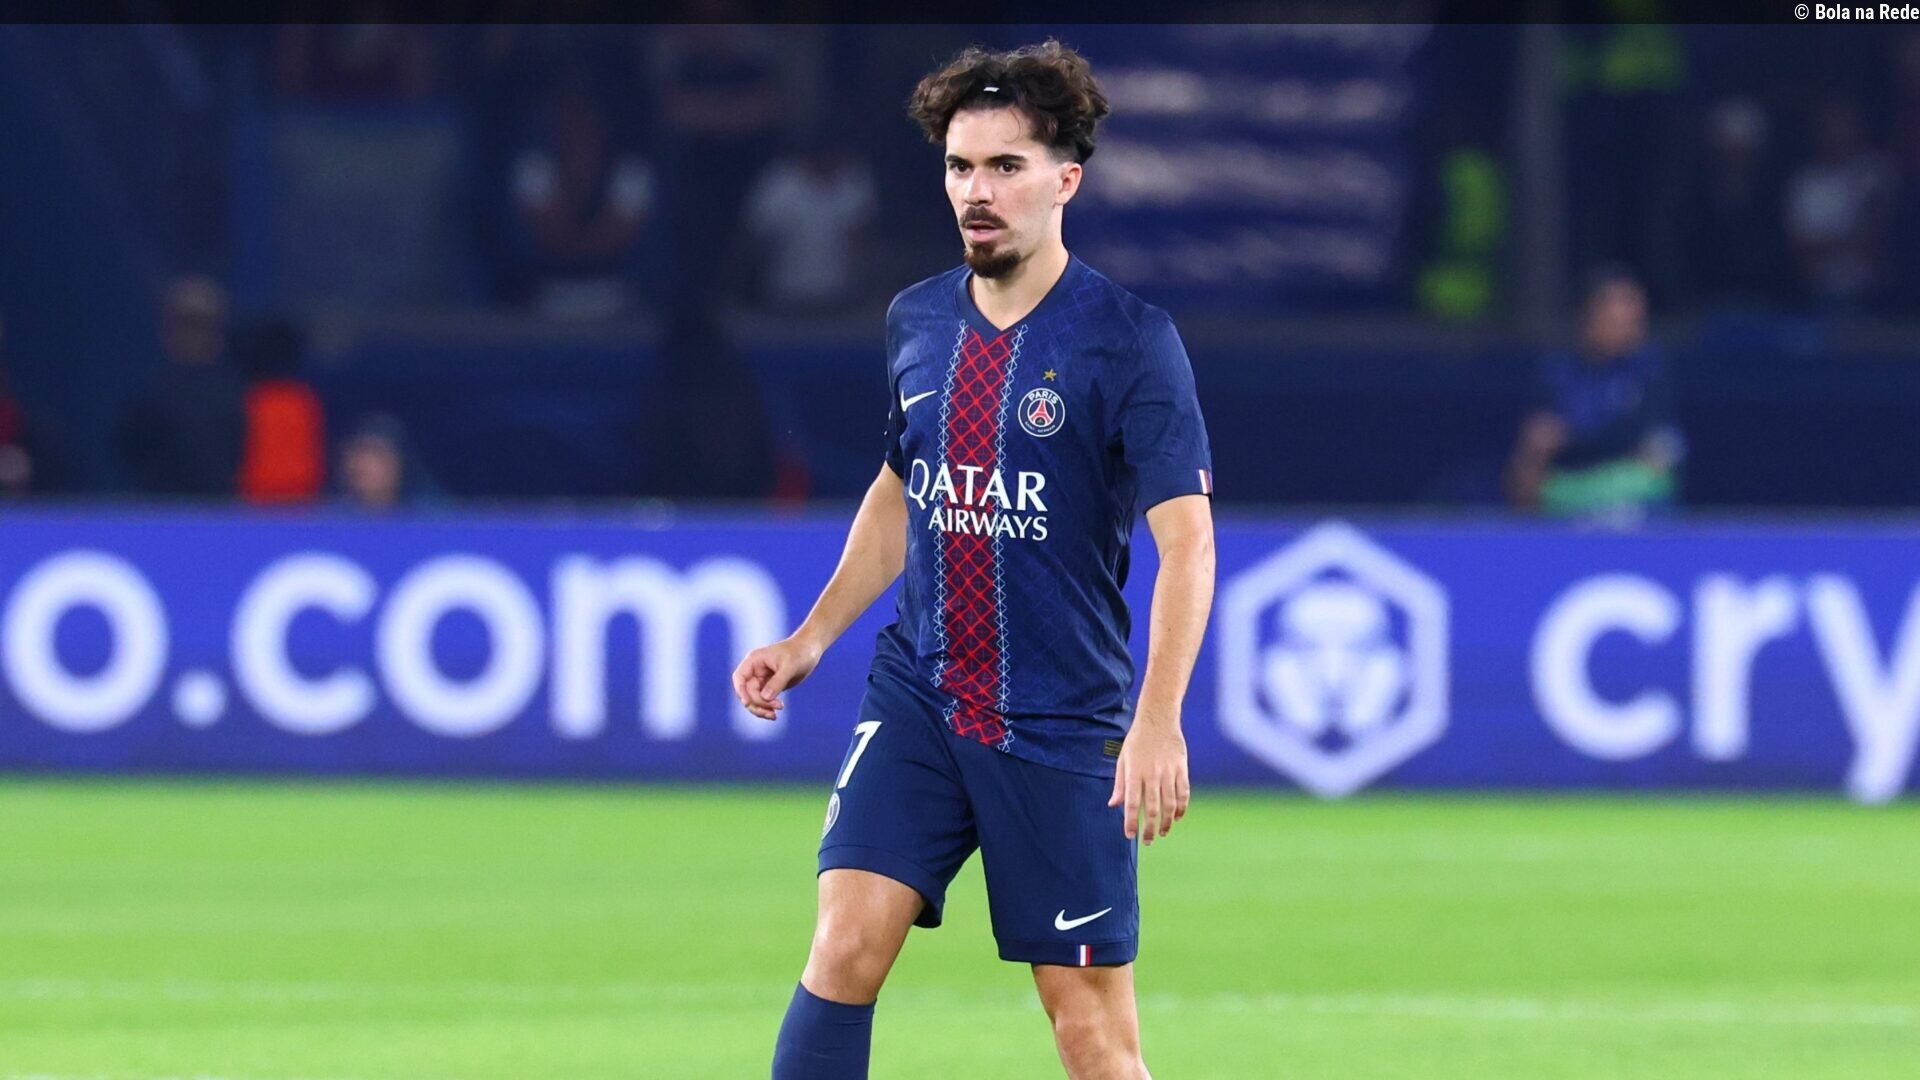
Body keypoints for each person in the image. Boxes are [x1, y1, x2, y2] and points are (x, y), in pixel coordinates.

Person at [733, 40, 1216, 1080]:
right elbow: (901, 488)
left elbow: (1188, 542)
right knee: (843, 948)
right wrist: (813, 637)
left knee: (1090, 1036)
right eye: (960, 166)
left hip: (1058, 719)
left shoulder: (1129, 341)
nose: (976, 191)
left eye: (1005, 166)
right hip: (921, 690)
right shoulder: (917, 319)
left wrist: (1158, 718)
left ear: (1065, 180)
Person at [1506, 266, 1683, 526]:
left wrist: (1571, 437)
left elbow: (1655, 449)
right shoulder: (1557, 371)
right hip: (1565, 487)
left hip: (1627, 490)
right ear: (1589, 318)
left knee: (1652, 474)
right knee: (1527, 471)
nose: (1631, 330)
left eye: (1635, 321)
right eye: (1617, 320)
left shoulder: (1652, 370)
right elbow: (1540, 437)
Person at [115, 276, 247, 499]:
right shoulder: (150, 395)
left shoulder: (242, 395)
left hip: (223, 513)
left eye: (203, 325)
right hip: (162, 513)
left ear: (219, 332)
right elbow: (128, 449)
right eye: (185, 324)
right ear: (167, 331)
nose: (194, 335)